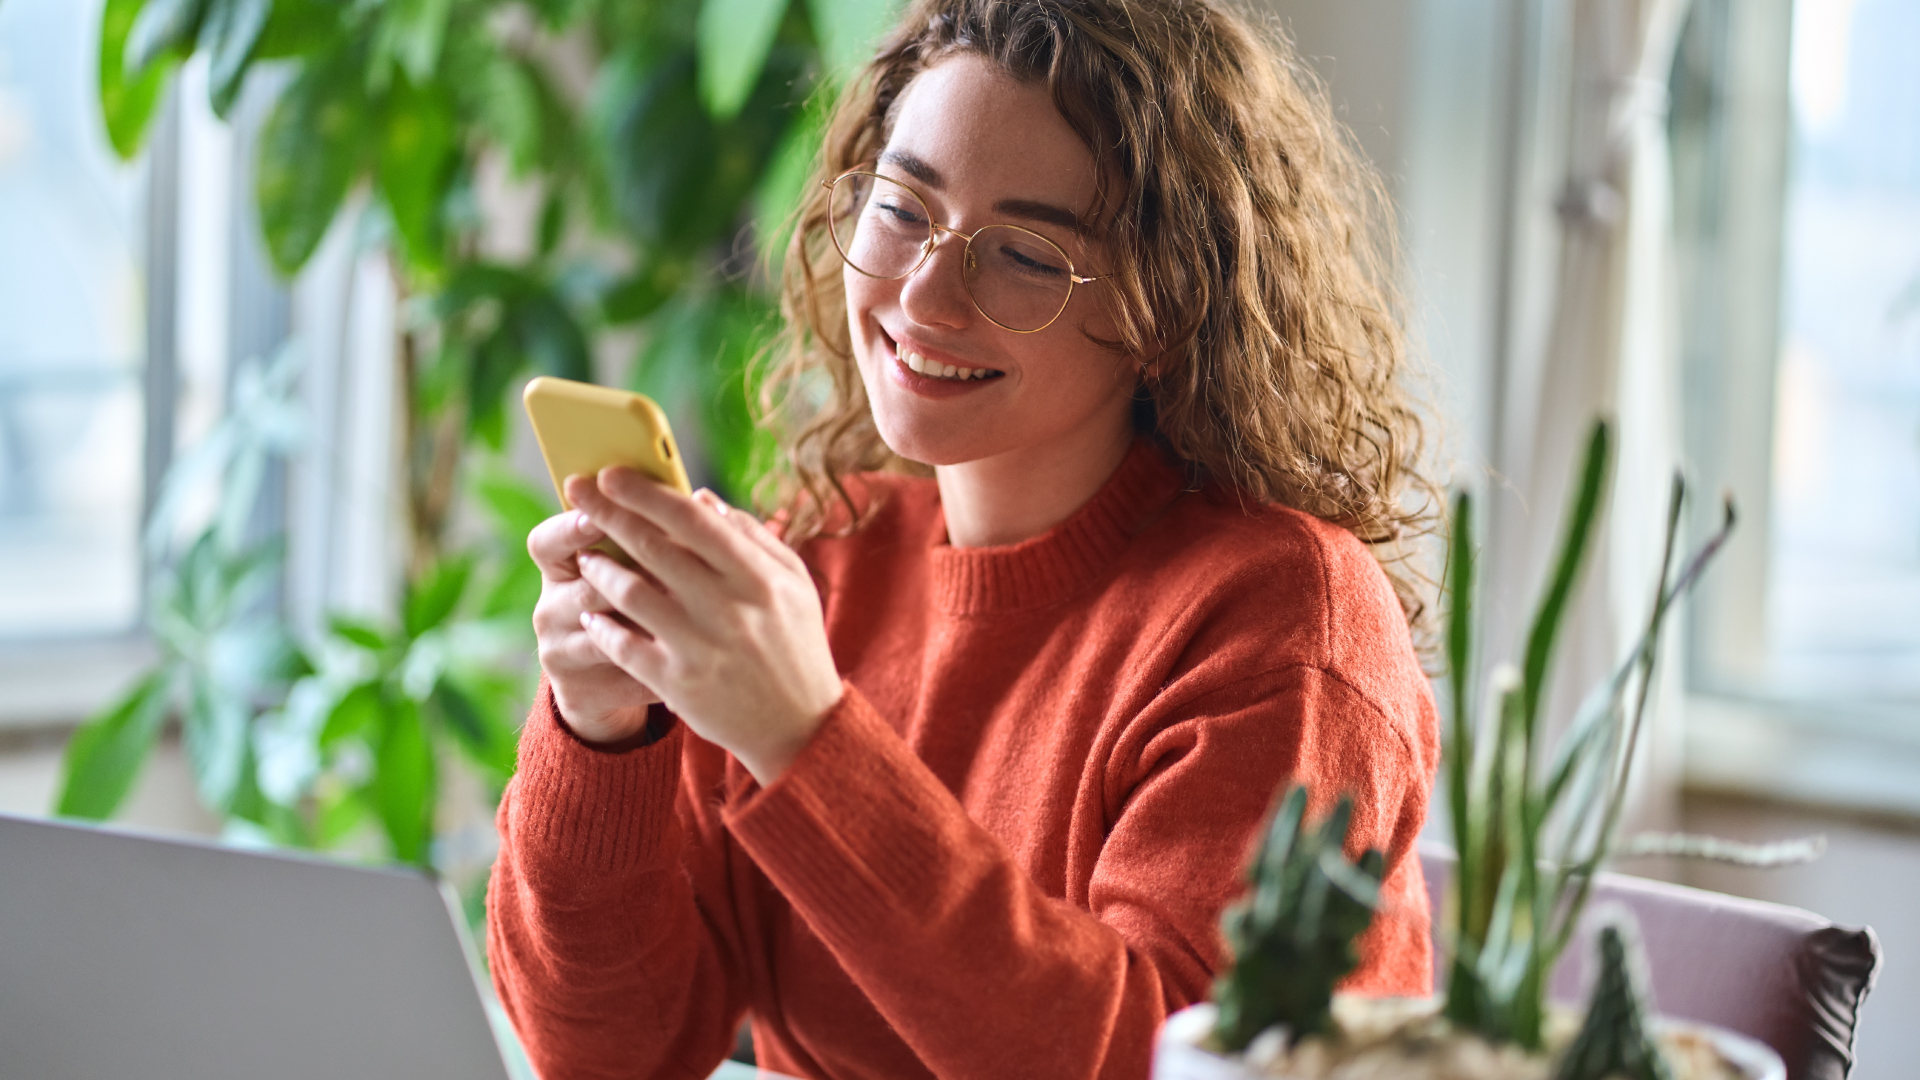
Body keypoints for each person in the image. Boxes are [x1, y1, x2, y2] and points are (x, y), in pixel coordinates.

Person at [487, 1, 1441, 1077]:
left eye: (1026, 256)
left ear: (1167, 311)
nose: (926, 291)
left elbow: (1165, 1062)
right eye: (902, 208)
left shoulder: (1285, 624)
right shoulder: (822, 562)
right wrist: (602, 732)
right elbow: (612, 1052)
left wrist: (808, 741)